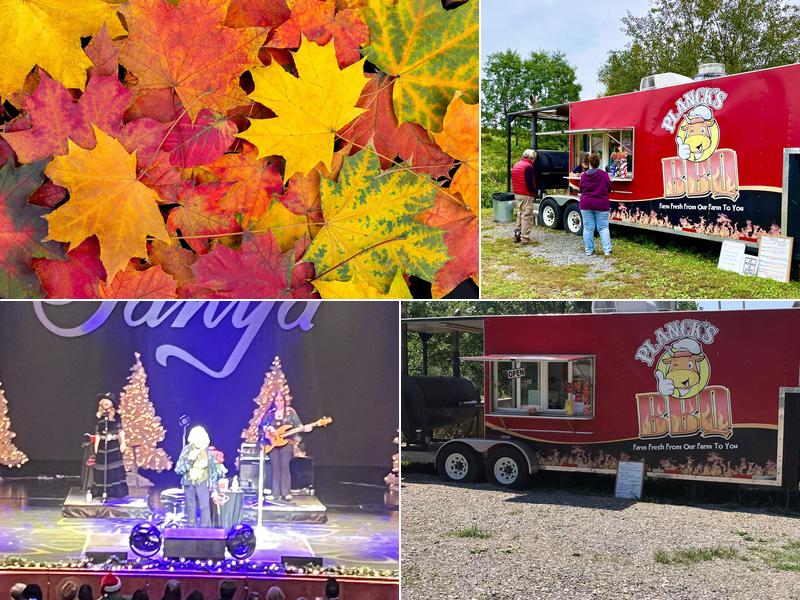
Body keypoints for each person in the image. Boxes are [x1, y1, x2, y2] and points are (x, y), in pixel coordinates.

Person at [259, 390, 311, 502]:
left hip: (287, 443)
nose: (279, 403)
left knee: (284, 466)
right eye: (276, 401)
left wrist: (305, 428)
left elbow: (299, 425)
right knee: (275, 467)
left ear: (284, 401)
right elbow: (262, 426)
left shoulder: (290, 412)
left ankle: (286, 493)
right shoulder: (270, 414)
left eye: (280, 400)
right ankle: (275, 493)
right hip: (273, 445)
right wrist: (268, 429)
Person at [175, 426, 223, 527]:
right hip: (189, 481)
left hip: (203, 481)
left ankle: (205, 529)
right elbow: (178, 469)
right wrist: (189, 460)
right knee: (190, 506)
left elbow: (213, 471)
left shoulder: (208, 452)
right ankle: (191, 527)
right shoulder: (187, 450)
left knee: (204, 506)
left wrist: (214, 488)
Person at [91, 394, 128, 500]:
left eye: (108, 403)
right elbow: (97, 434)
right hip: (103, 445)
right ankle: (101, 491)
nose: (106, 405)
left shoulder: (116, 416)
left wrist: (123, 443)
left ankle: (116, 491)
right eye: (105, 403)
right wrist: (96, 448)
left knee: (114, 467)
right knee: (102, 468)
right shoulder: (99, 417)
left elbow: (121, 431)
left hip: (114, 445)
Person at [578, 153, 613, 256]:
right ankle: (607, 250)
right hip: (601, 204)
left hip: (586, 204)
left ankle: (589, 251)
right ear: (599, 163)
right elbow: (609, 188)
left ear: (590, 163)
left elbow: (581, 189)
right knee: (603, 228)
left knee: (588, 228)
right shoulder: (604, 175)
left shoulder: (584, 176)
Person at [510, 149, 537, 243]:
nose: (534, 161)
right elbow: (529, 183)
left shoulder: (516, 164)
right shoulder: (528, 167)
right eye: (533, 158)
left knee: (520, 213)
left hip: (517, 193)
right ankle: (525, 238)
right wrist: (534, 191)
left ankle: (517, 234)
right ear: (530, 158)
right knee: (527, 215)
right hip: (526, 194)